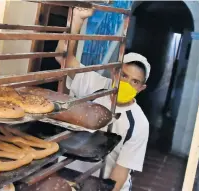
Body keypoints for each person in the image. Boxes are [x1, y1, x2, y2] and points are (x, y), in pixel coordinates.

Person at [55, 7, 150, 191]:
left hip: (102, 183)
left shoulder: (139, 123)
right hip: (68, 174)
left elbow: (121, 172)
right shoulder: (94, 85)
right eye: (123, 75)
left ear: (141, 88)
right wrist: (77, 20)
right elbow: (62, 57)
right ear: (114, 72)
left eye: (135, 81)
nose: (127, 83)